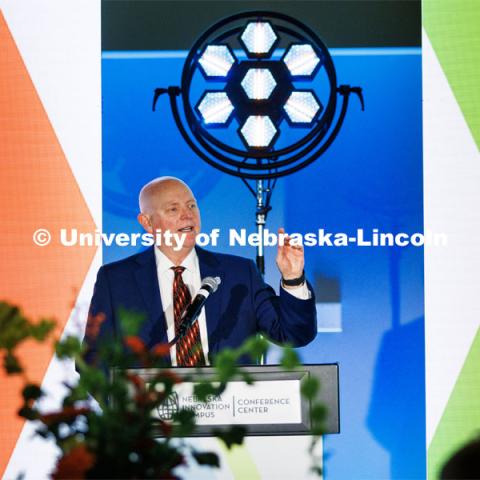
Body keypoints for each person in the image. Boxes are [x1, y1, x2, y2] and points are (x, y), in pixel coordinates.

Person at [83, 177, 317, 366]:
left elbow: (293, 335)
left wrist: (293, 278)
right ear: (147, 222)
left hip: (231, 417)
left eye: (191, 205)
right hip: (153, 419)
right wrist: (132, 413)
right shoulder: (116, 280)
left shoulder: (239, 274)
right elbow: (94, 359)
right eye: (173, 209)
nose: (187, 215)